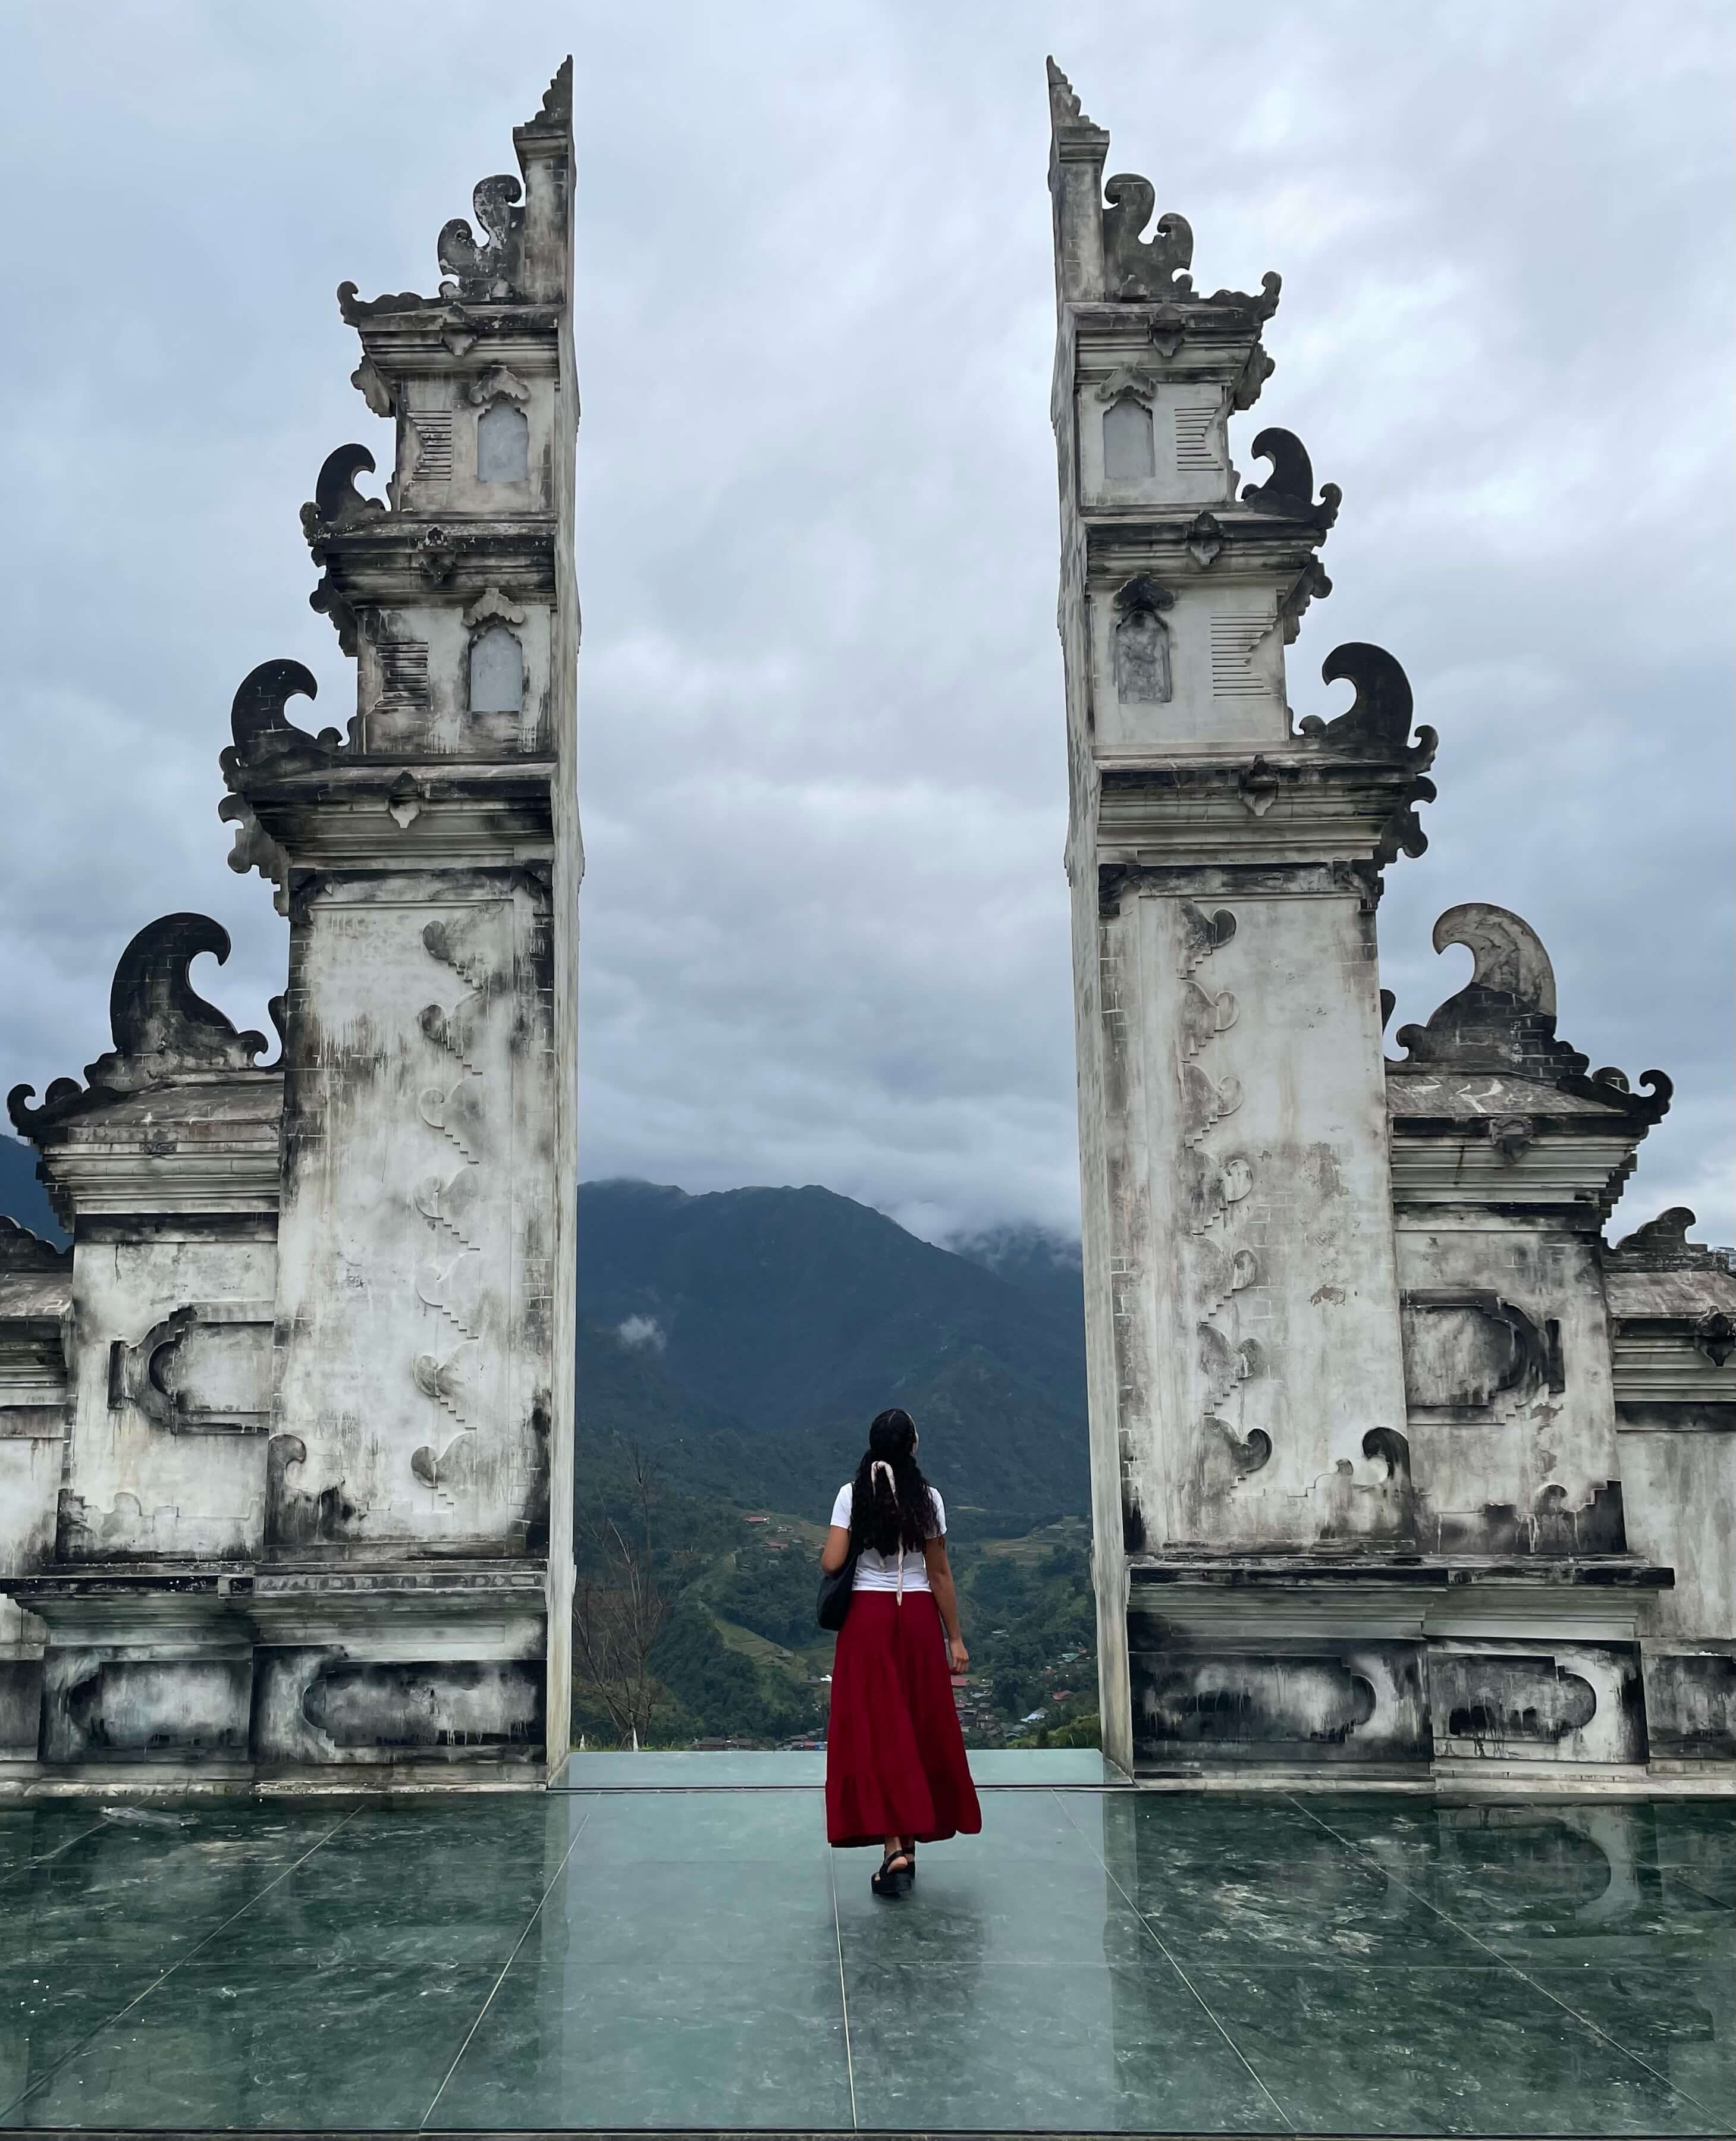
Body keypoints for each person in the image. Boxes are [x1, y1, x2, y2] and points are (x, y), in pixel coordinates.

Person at [820, 1407, 981, 1896]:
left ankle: (893, 1848)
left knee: (877, 1729)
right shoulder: (928, 1500)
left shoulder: (852, 1495)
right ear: (912, 1446)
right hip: (915, 1619)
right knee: (917, 1724)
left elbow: (832, 1561)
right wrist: (954, 1637)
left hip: (866, 1621)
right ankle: (906, 1843)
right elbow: (938, 1576)